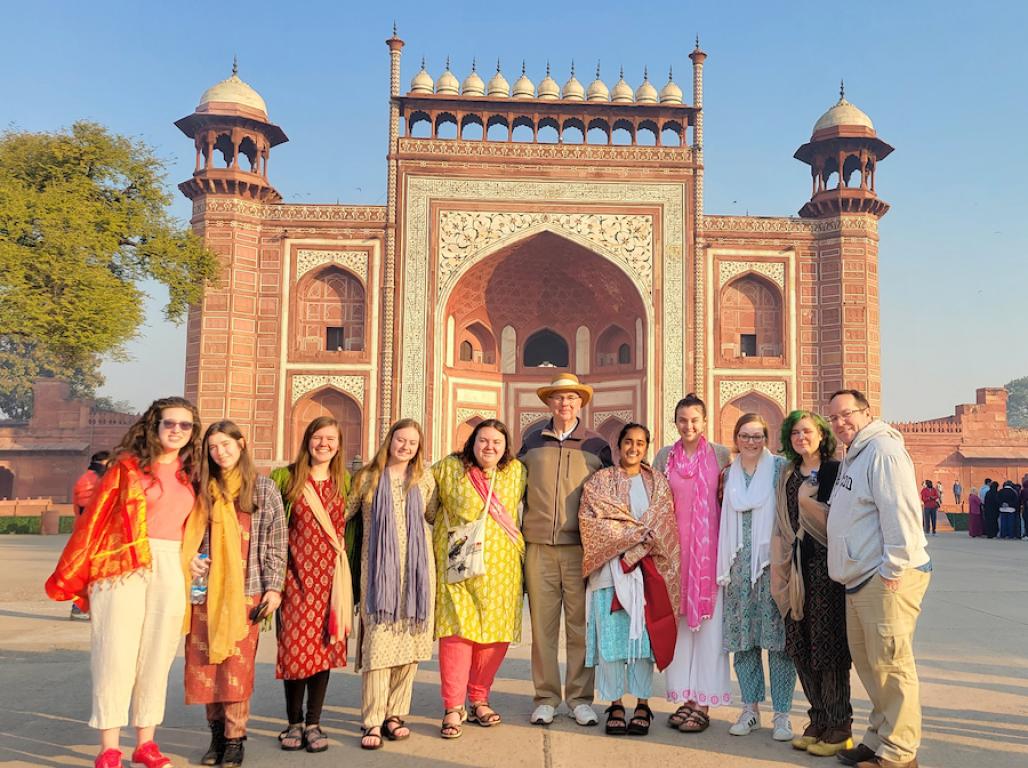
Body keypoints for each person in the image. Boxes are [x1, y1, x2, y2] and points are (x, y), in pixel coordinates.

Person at [46, 397, 200, 768]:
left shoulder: (188, 473)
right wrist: (89, 570)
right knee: (115, 653)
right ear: (154, 425)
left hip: (170, 565)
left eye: (186, 425)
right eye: (170, 423)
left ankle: (145, 742)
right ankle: (109, 747)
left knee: (157, 655)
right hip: (122, 565)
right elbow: (95, 520)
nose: (177, 430)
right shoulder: (127, 469)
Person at [826, 389, 931, 768]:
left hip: (883, 577)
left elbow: (901, 514)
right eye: (834, 418)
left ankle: (900, 754)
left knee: (891, 664)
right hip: (860, 577)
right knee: (871, 666)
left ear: (867, 413)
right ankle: (879, 739)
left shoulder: (883, 451)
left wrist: (892, 570)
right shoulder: (854, 454)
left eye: (847, 414)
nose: (840, 423)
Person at [182, 421, 287, 767]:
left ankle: (235, 739)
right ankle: (215, 736)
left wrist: (274, 589)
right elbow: (187, 536)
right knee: (207, 664)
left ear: (241, 444)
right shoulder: (200, 489)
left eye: (225, 445)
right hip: (204, 593)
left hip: (247, 591)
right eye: (212, 447)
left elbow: (275, 543)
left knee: (236, 669)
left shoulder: (263, 490)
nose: (219, 452)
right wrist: (191, 561)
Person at [518, 373, 613, 727]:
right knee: (542, 627)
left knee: (579, 626)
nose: (565, 404)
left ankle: (579, 698)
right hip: (539, 545)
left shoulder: (595, 445)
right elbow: (515, 487)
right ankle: (545, 697)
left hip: (579, 548)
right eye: (558, 398)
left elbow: (609, 494)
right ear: (549, 403)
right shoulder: (532, 441)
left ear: (581, 403)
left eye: (571, 398)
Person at [579, 423, 680, 738]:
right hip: (610, 573)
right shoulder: (600, 482)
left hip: (647, 573)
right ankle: (615, 704)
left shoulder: (658, 483)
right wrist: (633, 535)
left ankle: (642, 704)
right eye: (628, 442)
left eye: (640, 443)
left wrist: (638, 539)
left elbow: (665, 522)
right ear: (618, 445)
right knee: (612, 643)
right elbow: (591, 522)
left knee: (642, 643)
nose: (633, 448)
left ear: (647, 447)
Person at [431, 419, 527, 739]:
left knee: (494, 634)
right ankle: (453, 707)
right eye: (483, 440)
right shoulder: (449, 468)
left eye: (497, 442)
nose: (489, 447)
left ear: (505, 447)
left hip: (502, 568)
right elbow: (427, 506)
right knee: (458, 633)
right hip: (458, 564)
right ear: (472, 441)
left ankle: (479, 697)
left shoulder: (516, 472)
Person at [347, 419, 438, 750]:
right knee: (379, 644)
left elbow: (434, 517)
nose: (406, 447)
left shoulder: (424, 478)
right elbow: (342, 514)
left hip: (416, 574)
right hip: (378, 575)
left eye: (413, 443)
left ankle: (396, 713)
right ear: (390, 441)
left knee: (410, 646)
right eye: (401, 440)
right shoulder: (367, 478)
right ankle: (372, 719)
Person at [770, 411, 852, 757]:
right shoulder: (787, 473)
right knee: (801, 644)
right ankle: (817, 718)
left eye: (808, 431)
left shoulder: (837, 469)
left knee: (828, 646)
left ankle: (839, 725)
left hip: (825, 570)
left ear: (821, 434)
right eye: (795, 433)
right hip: (794, 567)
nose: (801, 437)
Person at [271, 417, 352, 753]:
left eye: (330, 438)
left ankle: (314, 722)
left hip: (331, 579)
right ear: (306, 440)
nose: (324, 444)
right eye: (318, 437)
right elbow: (272, 528)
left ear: (339, 444)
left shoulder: (343, 480)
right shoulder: (285, 477)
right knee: (294, 649)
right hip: (294, 578)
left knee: (323, 650)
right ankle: (294, 721)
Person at [653, 394, 732, 734]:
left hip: (708, 558)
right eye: (683, 420)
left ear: (704, 422)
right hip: (674, 556)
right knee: (681, 630)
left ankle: (703, 701)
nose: (689, 426)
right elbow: (654, 502)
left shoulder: (720, 455)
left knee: (709, 631)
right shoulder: (663, 457)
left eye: (695, 420)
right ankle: (686, 698)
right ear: (676, 423)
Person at [717, 413, 796, 742]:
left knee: (778, 644)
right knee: (744, 643)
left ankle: (782, 715)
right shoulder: (727, 475)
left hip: (771, 567)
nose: (751, 442)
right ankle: (749, 709)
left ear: (767, 438)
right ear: (736, 439)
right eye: (745, 436)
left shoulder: (779, 469)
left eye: (758, 436)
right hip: (736, 569)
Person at [69, 451, 112, 621]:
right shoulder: (93, 479)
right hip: (92, 533)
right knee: (91, 571)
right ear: (102, 463)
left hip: (88, 531)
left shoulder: (88, 478)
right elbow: (88, 507)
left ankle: (84, 608)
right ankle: (80, 608)